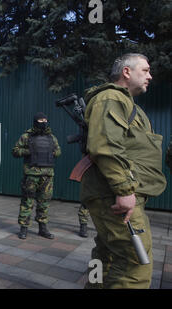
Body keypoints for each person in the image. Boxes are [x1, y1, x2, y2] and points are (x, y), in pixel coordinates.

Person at [82, 53, 166, 289]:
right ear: (126, 72)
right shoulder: (111, 98)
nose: (150, 76)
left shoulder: (127, 103)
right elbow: (106, 145)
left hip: (117, 192)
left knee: (107, 257)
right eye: (145, 70)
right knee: (135, 264)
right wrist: (124, 189)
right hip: (116, 193)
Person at [12, 112, 61, 240]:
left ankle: (43, 228)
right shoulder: (26, 136)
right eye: (40, 119)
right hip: (31, 175)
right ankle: (24, 228)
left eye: (45, 119)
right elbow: (15, 150)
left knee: (44, 202)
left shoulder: (52, 137)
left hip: (47, 175)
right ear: (35, 121)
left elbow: (58, 151)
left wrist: (51, 152)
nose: (43, 121)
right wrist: (29, 151)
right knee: (27, 201)